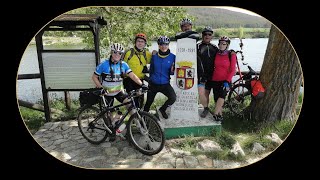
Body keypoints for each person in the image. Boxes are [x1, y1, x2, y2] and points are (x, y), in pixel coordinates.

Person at [92, 42, 148, 110]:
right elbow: (94, 77)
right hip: (107, 94)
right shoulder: (104, 64)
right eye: (115, 52)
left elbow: (132, 76)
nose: (117, 55)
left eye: (120, 53)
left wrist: (142, 84)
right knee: (111, 118)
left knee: (131, 107)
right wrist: (101, 88)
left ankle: (134, 119)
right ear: (111, 52)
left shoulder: (124, 65)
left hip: (119, 92)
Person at [143, 36, 176, 119]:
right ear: (158, 45)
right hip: (153, 84)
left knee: (173, 98)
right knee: (148, 103)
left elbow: (172, 72)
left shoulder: (173, 57)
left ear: (168, 45)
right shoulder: (154, 56)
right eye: (161, 44)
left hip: (165, 84)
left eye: (166, 44)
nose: (163, 46)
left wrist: (172, 70)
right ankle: (143, 119)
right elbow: (148, 66)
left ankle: (162, 109)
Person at [205, 36, 236, 122]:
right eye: (220, 43)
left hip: (226, 80)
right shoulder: (216, 53)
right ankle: (220, 117)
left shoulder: (231, 54)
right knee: (216, 99)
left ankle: (215, 114)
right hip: (215, 80)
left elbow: (233, 70)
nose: (221, 45)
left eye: (224, 44)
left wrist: (227, 80)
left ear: (227, 45)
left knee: (222, 96)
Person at [123, 33, 152, 108]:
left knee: (140, 101)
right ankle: (133, 118)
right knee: (132, 102)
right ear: (135, 42)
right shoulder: (128, 53)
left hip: (140, 80)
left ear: (145, 44)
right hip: (129, 80)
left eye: (142, 42)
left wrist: (155, 53)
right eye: (138, 41)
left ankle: (138, 117)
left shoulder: (147, 54)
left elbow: (157, 61)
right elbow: (121, 66)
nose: (140, 43)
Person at [197, 26, 219, 118]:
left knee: (209, 93)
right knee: (202, 93)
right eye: (205, 34)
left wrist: (231, 53)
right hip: (201, 75)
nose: (207, 36)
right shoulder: (197, 46)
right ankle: (206, 108)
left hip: (212, 75)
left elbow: (222, 56)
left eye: (209, 34)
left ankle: (212, 110)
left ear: (211, 36)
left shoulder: (215, 47)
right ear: (202, 36)